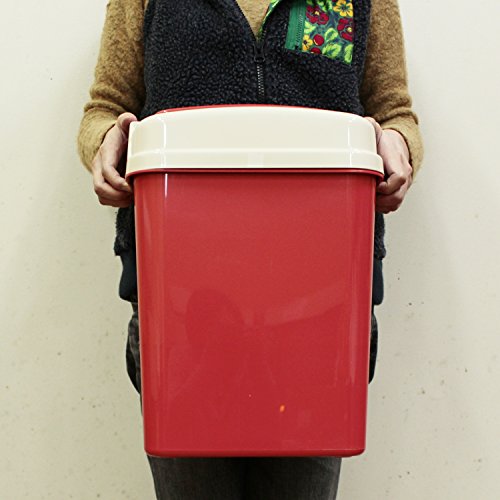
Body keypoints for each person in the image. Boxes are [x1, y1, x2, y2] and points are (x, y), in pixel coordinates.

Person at [78, 0, 423, 498]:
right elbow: (105, 107)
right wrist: (105, 142)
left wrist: (398, 144)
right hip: (181, 311)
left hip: (322, 313)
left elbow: (394, 112)